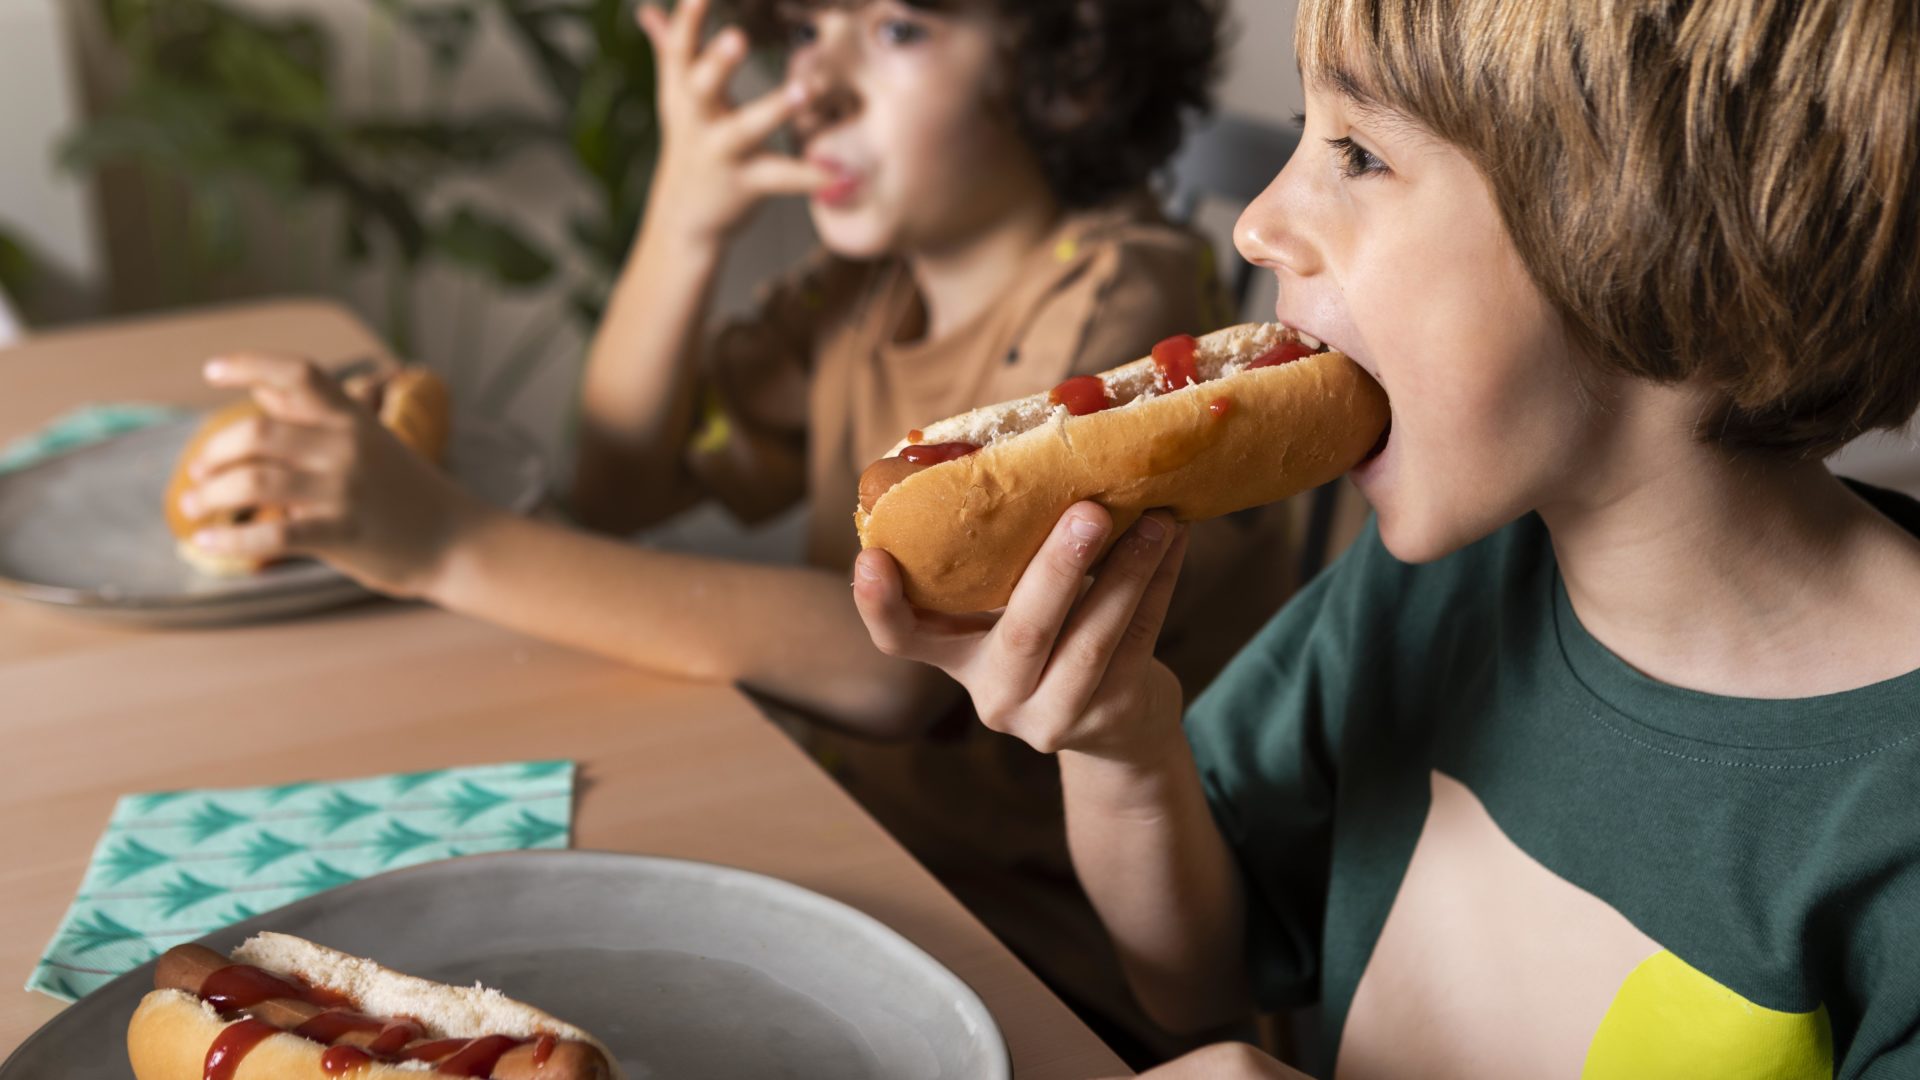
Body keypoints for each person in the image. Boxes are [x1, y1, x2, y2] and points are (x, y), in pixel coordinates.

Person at [175, 0, 1275, 1057]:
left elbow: (893, 666)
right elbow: (619, 483)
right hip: (869, 859)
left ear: (1071, 64)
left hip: (1060, 962)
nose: (812, 83)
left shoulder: (1124, 294)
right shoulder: (858, 291)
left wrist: (445, 548)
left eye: (895, 27)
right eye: (804, 29)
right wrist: (682, 217)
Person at [851, 0, 1920, 1075]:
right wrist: (1120, 744)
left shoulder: (1892, 822)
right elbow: (1199, 974)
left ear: (1676, 236)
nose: (1256, 222)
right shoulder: (1442, 584)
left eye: (1358, 153)